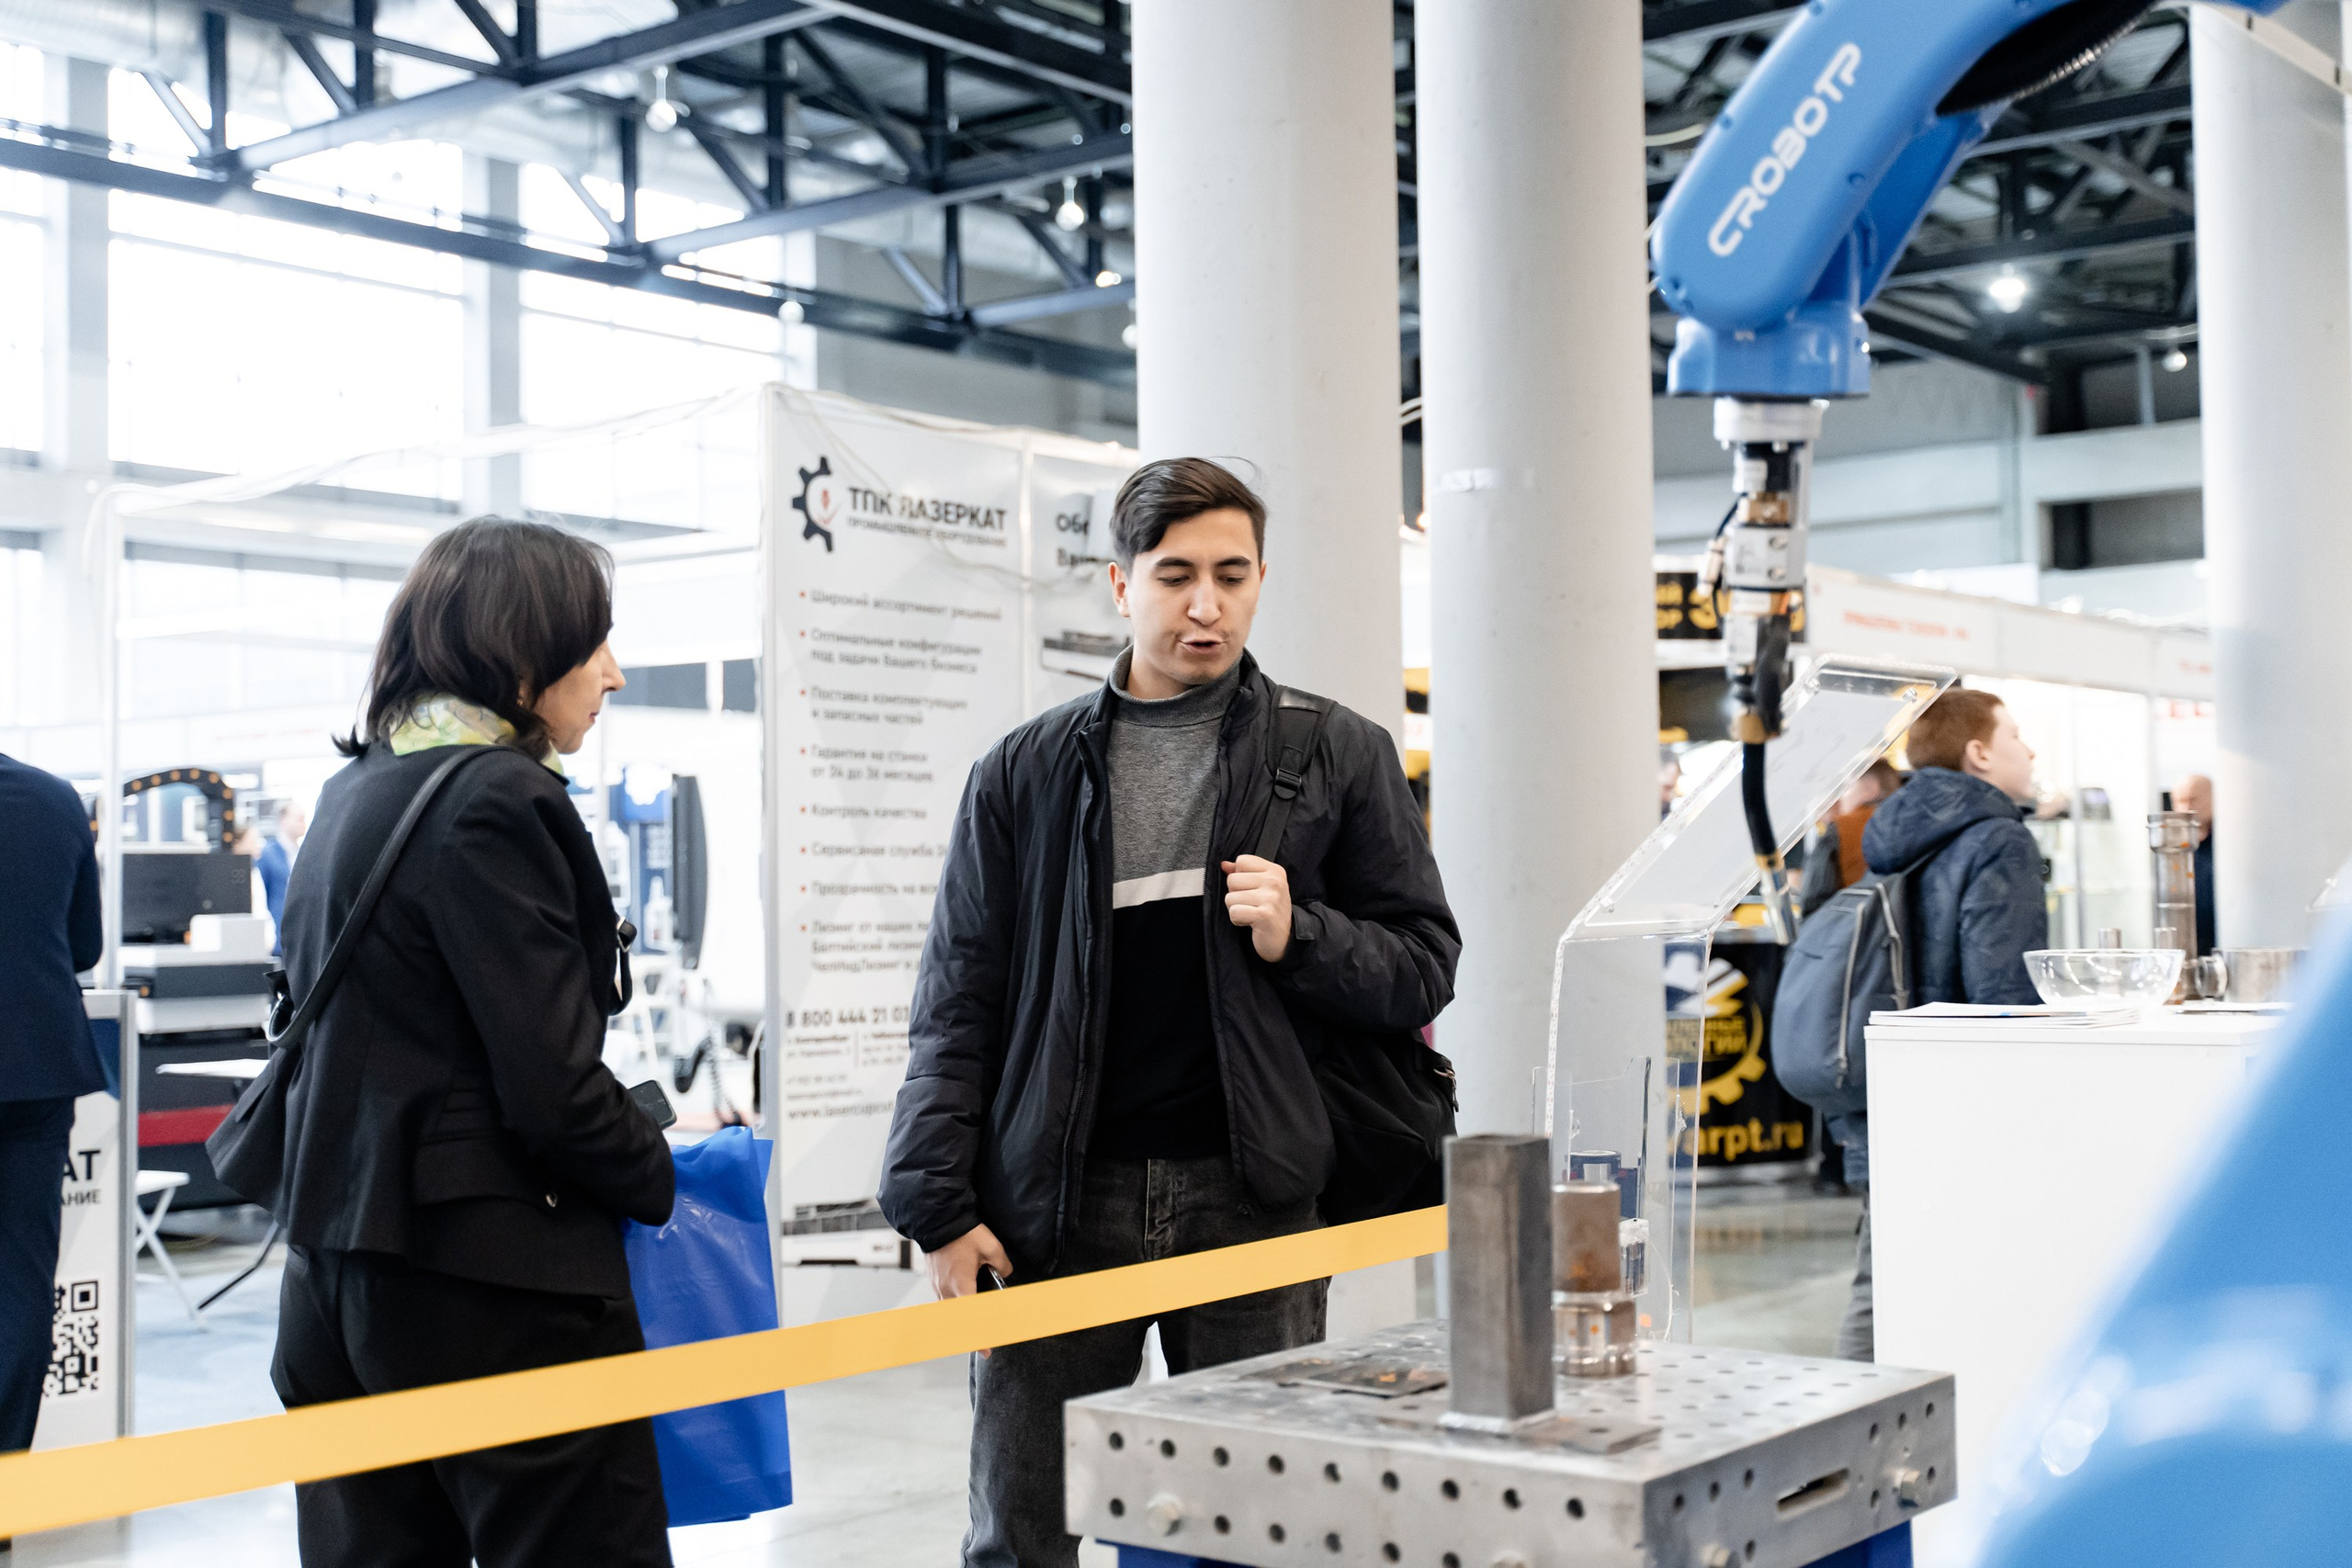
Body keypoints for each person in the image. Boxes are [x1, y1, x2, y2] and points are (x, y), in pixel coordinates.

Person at [879, 457, 1460, 1568]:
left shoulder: (1334, 752)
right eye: (1176, 574)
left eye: (1232, 575)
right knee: (1019, 1533)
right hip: (1054, 1206)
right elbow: (959, 1000)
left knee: (1257, 1534)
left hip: (1253, 1198)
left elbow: (1424, 964)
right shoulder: (1025, 773)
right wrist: (937, 1203)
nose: (1206, 604)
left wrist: (1307, 934)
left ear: (1259, 581)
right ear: (1119, 583)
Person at [269, 517, 676, 1568]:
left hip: (335, 1270)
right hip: (493, 1288)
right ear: (522, 650)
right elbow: (549, 1086)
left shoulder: (357, 790)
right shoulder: (497, 798)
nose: (614, 675)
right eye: (593, 645)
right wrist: (655, 1167)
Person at [1835, 688, 2047, 1361]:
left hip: (1885, 1085)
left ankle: (1850, 1440)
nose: (2031, 749)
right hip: (1963, 1103)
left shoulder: (1890, 834)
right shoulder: (1999, 839)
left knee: (1883, 1272)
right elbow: (2000, 993)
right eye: (2016, 735)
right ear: (1979, 753)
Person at [0, 753, 105, 1480]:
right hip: (34, 1069)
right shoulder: (52, 796)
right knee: (20, 1281)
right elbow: (86, 944)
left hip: (36, 1071)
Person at [1800, 758, 1905, 916]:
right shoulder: (1913, 825)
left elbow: (1813, 901)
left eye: (1847, 787)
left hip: (1856, 929)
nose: (1842, 797)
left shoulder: (1842, 828)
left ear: (1870, 789)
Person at [255, 800, 307, 955]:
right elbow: (260, 898)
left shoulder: (305, 854)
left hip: (302, 938)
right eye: (299, 818)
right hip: (278, 940)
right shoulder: (267, 855)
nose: (303, 823)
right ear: (283, 821)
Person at [2177, 773, 2216, 953]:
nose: (2187, 809)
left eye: (2193, 800)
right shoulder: (2174, 851)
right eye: (2181, 801)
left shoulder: (2229, 846)